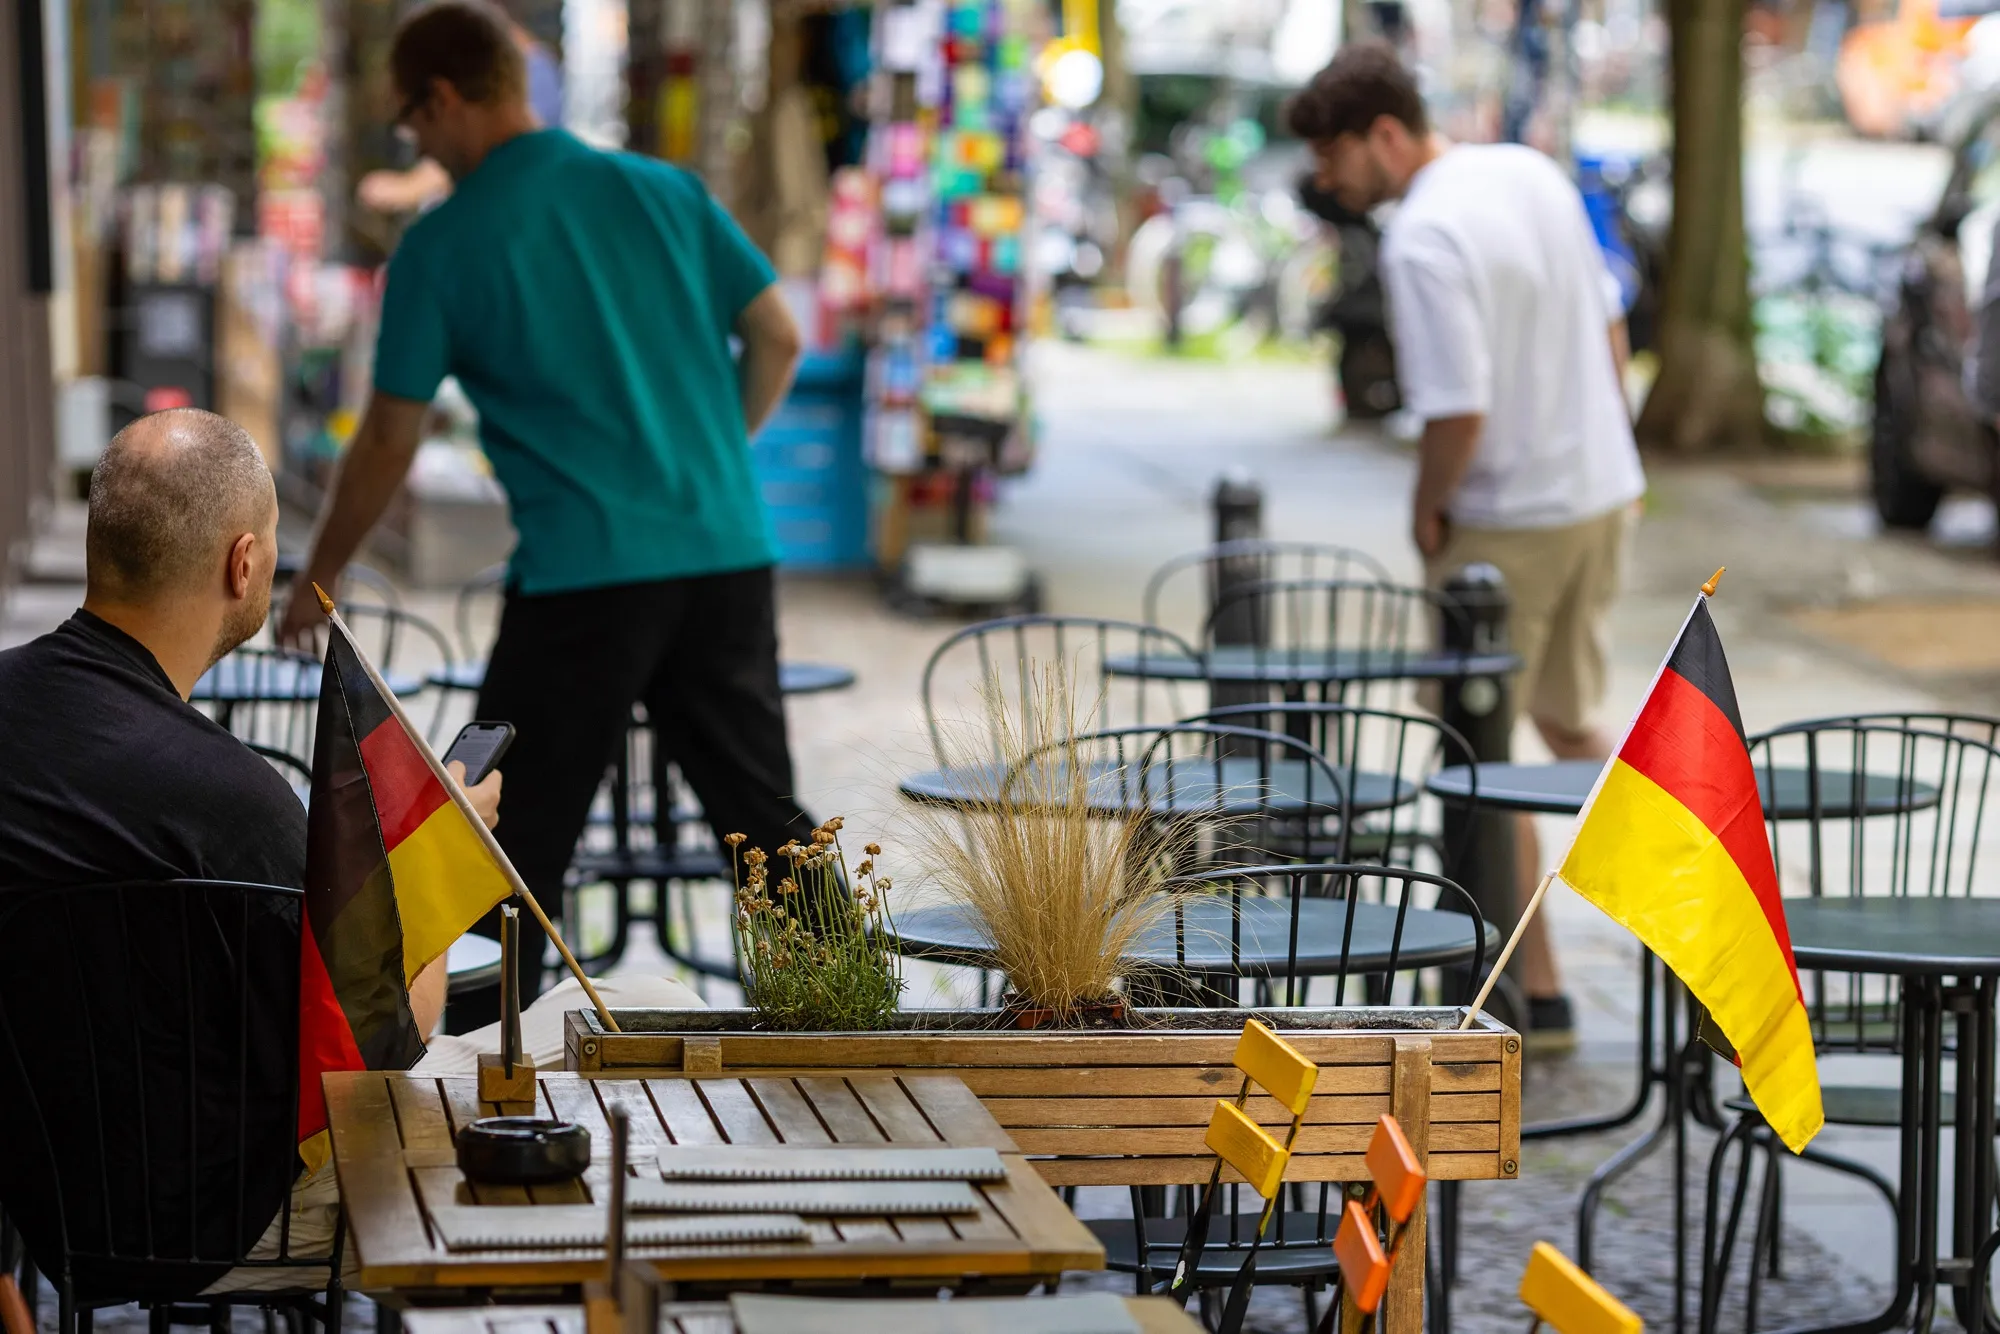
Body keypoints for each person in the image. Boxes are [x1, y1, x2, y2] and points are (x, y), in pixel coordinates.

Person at [0, 408, 699, 1294]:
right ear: (243, 563)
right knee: (651, 1009)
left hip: (55, 1215)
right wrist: (447, 848)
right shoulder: (231, 802)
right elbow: (386, 1047)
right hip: (246, 1219)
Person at [276, 0, 814, 1024]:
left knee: (500, 838)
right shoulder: (664, 189)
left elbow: (387, 438)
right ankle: (849, 1046)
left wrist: (322, 572)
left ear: (444, 99)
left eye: (410, 121)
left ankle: (484, 1074)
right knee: (769, 832)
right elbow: (778, 336)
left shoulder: (442, 245)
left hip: (583, 580)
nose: (416, 143)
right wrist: (708, 460)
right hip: (722, 550)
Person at [1288, 43, 1647, 1052]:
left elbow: (1457, 409)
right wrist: (1611, 442)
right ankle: (1709, 924)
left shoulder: (1421, 236)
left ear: (1384, 135)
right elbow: (1611, 327)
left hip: (1502, 519)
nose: (1327, 181)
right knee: (1569, 723)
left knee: (1476, 749)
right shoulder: (1528, 172)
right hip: (1597, 492)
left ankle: (1529, 994)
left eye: (1332, 157)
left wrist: (1426, 508)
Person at [357, 4, 562, 215]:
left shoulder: (534, 75)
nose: (421, 149)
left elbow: (496, 149)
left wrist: (407, 188)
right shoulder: (576, 169)